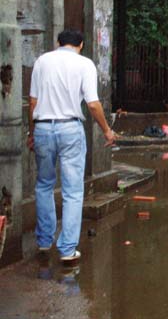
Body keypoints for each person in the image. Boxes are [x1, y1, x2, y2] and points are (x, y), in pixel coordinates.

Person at [27, 29, 116, 262]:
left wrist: (32, 132)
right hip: (70, 129)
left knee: (44, 185)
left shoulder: (42, 61)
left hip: (43, 128)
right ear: (81, 44)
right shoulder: (84, 64)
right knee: (73, 191)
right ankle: (67, 249)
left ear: (58, 43)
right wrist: (107, 130)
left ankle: (45, 241)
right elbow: (93, 104)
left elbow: (33, 102)